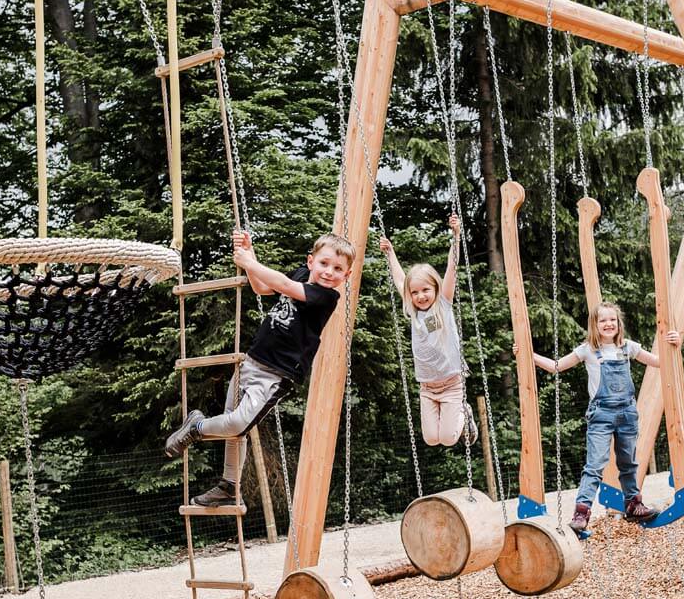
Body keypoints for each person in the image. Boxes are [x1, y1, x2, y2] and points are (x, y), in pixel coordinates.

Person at [165, 230, 355, 507]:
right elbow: (263, 288)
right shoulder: (302, 274)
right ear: (311, 261)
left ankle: (197, 427)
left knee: (238, 423)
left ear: (346, 276)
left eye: (338, 269)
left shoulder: (326, 297)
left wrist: (249, 262)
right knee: (235, 429)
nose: (329, 272)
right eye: (324, 264)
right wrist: (249, 254)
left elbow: (286, 287)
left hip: (276, 374)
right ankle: (229, 486)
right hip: (252, 361)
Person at [526, 302, 681, 531]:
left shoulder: (628, 347)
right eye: (603, 321)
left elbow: (659, 362)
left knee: (628, 462)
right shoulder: (587, 350)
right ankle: (581, 512)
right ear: (595, 326)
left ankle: (633, 505)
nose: (609, 324)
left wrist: (675, 345)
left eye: (613, 320)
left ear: (619, 324)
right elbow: (557, 366)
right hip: (601, 414)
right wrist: (530, 355)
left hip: (627, 412)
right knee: (595, 464)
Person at [379, 215, 478, 447]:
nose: (420, 296)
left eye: (425, 290)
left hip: (452, 383)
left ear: (435, 288)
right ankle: (454, 417)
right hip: (427, 387)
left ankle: (465, 412)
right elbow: (400, 279)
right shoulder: (414, 312)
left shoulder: (443, 304)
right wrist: (390, 253)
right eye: (415, 293)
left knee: (449, 438)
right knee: (432, 439)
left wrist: (456, 236)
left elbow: (451, 267)